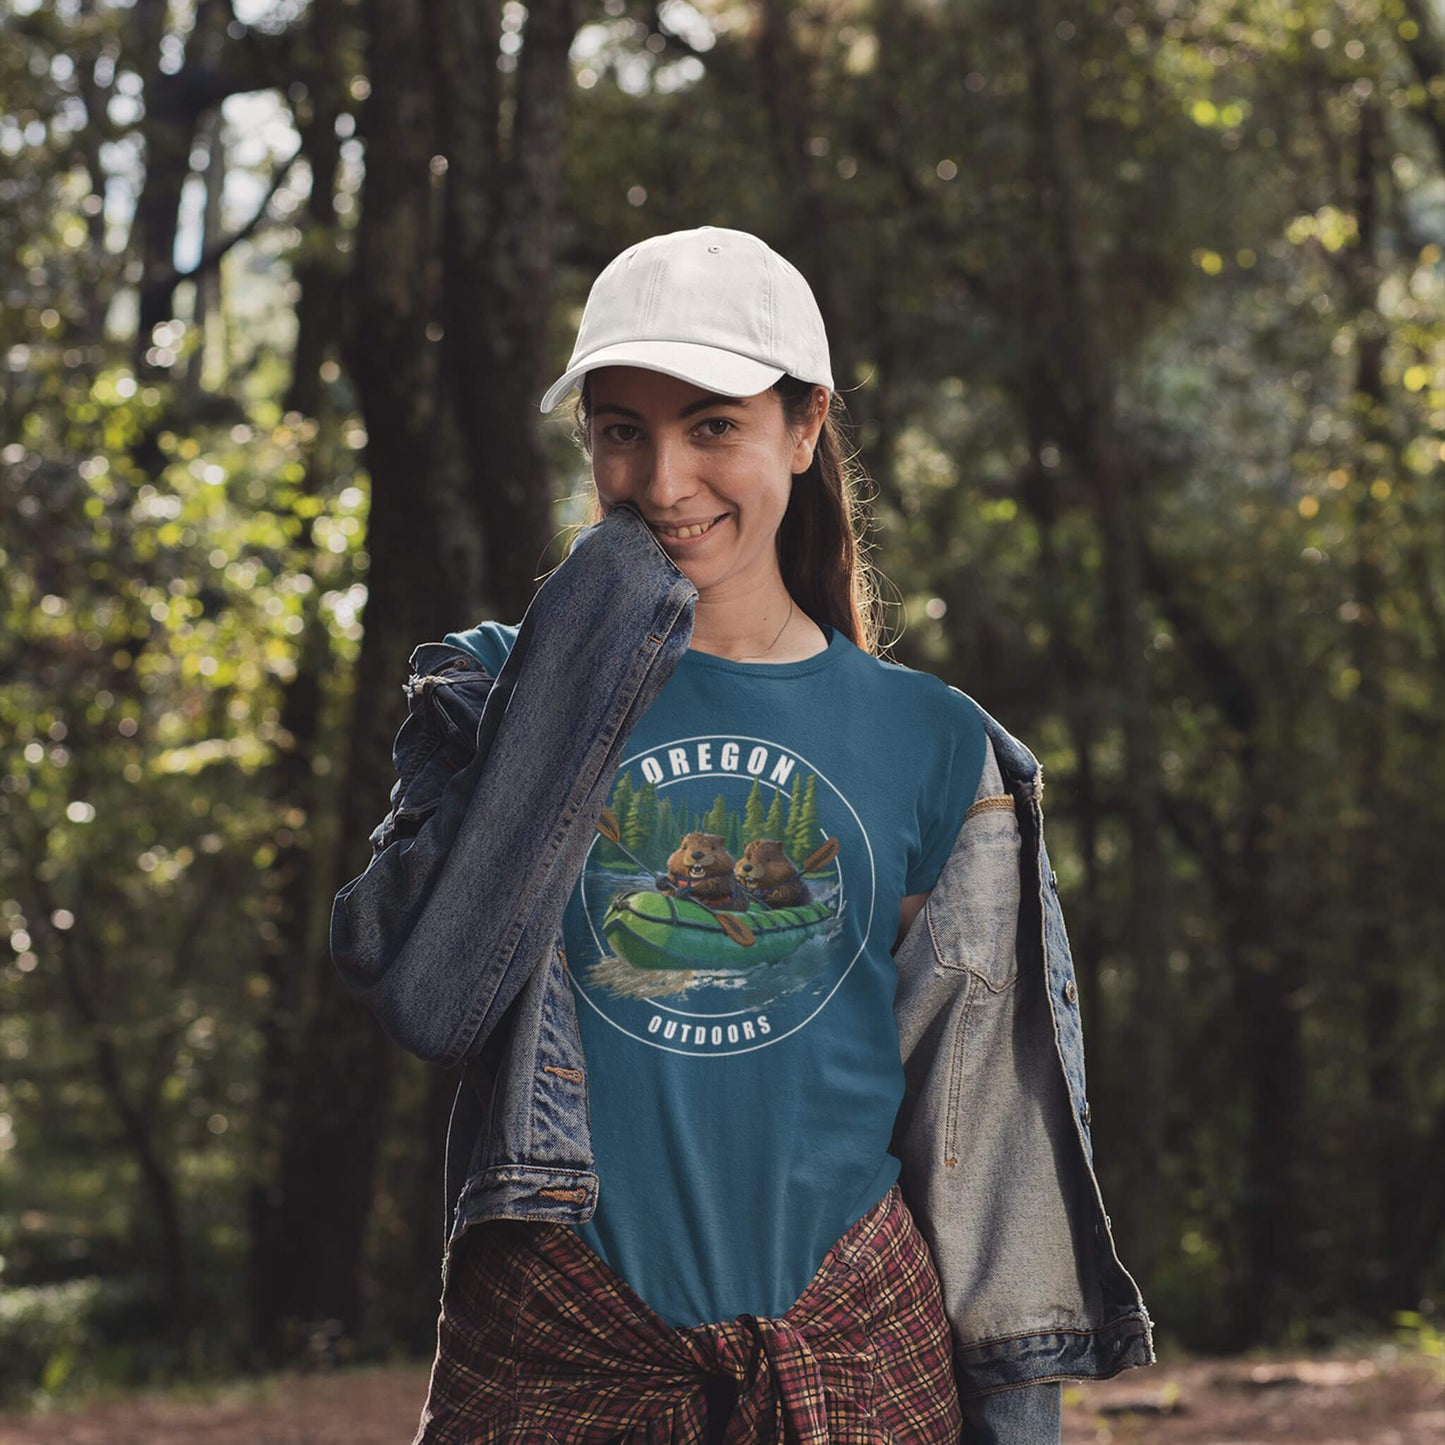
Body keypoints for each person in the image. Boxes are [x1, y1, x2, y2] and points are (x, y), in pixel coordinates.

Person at [331, 227, 1152, 1444]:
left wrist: (1017, 1420)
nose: (663, 482)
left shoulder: (935, 745)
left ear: (804, 427)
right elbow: (420, 987)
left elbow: (982, 1142)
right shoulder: (494, 687)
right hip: (560, 1350)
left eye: (713, 424)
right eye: (622, 430)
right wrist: (572, 662)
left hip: (857, 1360)